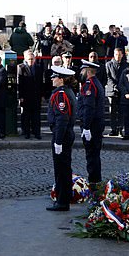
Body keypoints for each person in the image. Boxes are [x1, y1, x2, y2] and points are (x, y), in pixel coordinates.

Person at [46, 66, 77, 211]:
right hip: (65, 134)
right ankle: (63, 197)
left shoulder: (61, 95)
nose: (52, 79)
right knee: (64, 168)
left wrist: (58, 141)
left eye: (55, 77)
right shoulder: (66, 92)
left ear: (62, 79)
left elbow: (61, 119)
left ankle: (62, 201)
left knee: (61, 169)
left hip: (62, 136)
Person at [78, 60, 105, 186]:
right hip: (96, 123)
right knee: (94, 153)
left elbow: (89, 107)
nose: (81, 73)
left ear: (88, 71)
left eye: (83, 70)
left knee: (91, 154)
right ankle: (96, 180)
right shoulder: (96, 83)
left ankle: (94, 182)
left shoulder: (89, 84)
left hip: (92, 124)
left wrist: (86, 127)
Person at [18, 50, 43, 139]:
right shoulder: (21, 68)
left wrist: (42, 95)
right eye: (29, 59)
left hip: (36, 95)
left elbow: (41, 82)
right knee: (26, 115)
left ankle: (37, 132)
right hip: (26, 96)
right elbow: (20, 83)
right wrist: (20, 96)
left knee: (36, 116)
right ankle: (27, 132)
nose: (31, 61)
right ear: (25, 59)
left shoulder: (39, 67)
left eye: (32, 59)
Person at [105, 48, 127, 136]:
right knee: (113, 111)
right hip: (112, 90)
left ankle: (121, 128)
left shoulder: (126, 65)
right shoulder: (108, 64)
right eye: (116, 54)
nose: (118, 56)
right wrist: (114, 86)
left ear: (122, 55)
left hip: (122, 90)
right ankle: (113, 129)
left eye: (119, 54)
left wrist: (121, 87)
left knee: (122, 111)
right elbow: (108, 77)